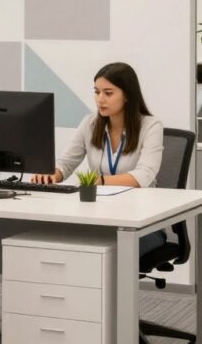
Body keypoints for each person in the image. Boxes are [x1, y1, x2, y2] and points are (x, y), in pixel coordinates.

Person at [33, 62, 165, 250]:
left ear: (127, 95)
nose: (100, 99)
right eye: (97, 92)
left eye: (108, 93)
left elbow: (143, 176)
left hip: (139, 221)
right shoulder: (90, 123)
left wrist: (100, 180)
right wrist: (53, 174)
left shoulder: (150, 126)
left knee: (101, 249)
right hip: (99, 215)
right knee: (67, 243)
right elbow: (66, 164)